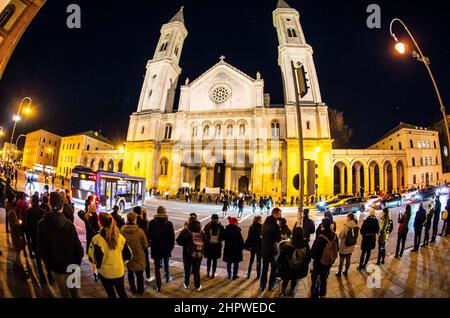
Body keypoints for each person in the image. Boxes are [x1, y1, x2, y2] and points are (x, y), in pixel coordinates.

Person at [38, 192, 84, 298]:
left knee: (64, 294)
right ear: (62, 206)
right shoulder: (69, 225)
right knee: (74, 293)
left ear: (49, 205)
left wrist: (50, 266)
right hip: (72, 266)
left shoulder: (42, 224)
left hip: (57, 267)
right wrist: (77, 263)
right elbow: (78, 249)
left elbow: (42, 249)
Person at [89, 212, 132, 298]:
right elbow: (129, 255)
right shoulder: (120, 237)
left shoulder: (96, 239)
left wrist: (96, 265)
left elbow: (92, 258)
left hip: (105, 273)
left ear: (100, 223)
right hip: (119, 271)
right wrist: (122, 263)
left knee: (111, 294)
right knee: (122, 293)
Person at [26, 194, 53, 285]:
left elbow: (27, 227)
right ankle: (49, 275)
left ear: (32, 201)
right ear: (38, 201)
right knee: (46, 259)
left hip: (34, 238)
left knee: (38, 259)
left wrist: (28, 238)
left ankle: (42, 277)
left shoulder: (28, 212)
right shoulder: (42, 212)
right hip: (43, 239)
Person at [148, 206, 175, 292]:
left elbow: (149, 236)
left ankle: (158, 285)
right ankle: (167, 277)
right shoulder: (169, 223)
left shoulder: (152, 222)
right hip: (166, 247)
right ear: (165, 212)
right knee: (166, 261)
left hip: (156, 247)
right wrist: (170, 247)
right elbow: (172, 238)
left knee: (156, 267)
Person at [278, 227, 311, 297]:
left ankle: (283, 291)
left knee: (286, 279)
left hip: (288, 267)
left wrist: (279, 264)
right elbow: (309, 256)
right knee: (294, 278)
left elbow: (281, 258)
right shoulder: (305, 243)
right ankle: (291, 291)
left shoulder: (288, 244)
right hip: (299, 267)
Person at [310, 218, 339, 298]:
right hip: (329, 262)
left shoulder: (320, 237)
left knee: (315, 277)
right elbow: (337, 249)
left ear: (322, 226)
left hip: (319, 262)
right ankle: (323, 293)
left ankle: (314, 292)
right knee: (324, 278)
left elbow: (313, 254)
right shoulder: (335, 236)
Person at [121, 212, 148, 295]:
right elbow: (145, 245)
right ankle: (140, 290)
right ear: (134, 220)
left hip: (128, 256)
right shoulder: (140, 231)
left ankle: (132, 289)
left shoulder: (122, 230)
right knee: (139, 275)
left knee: (130, 273)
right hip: (139, 255)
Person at [176, 218, 205, 291]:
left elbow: (178, 241)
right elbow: (206, 242)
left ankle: (186, 284)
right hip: (198, 255)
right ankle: (197, 286)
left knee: (187, 270)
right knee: (196, 271)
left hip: (187, 254)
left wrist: (186, 244)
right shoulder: (201, 232)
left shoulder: (185, 231)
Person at [259, 208, 282, 292]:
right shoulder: (275, 225)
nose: (280, 215)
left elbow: (261, 234)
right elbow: (278, 239)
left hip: (264, 249)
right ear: (274, 214)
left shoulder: (265, 223)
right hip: (272, 250)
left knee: (264, 268)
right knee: (274, 268)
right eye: (279, 214)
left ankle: (262, 286)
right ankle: (271, 285)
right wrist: (279, 229)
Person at [6, 193, 26, 269]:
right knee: (18, 247)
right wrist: (20, 221)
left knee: (17, 247)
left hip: (13, 231)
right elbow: (16, 223)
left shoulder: (9, 209)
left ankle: (17, 261)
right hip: (16, 231)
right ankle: (17, 262)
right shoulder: (12, 212)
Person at [203, 214, 224, 279]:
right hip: (217, 246)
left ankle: (208, 272)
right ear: (217, 219)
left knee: (209, 260)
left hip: (209, 246)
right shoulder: (220, 227)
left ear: (211, 218)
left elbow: (204, 236)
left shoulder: (207, 226)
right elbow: (223, 237)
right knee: (215, 260)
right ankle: (213, 273)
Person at [134, 206, 151, 281]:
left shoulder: (134, 221)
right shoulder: (145, 221)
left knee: (136, 259)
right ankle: (148, 275)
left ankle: (136, 272)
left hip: (136, 244)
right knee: (146, 260)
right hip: (144, 243)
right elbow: (148, 232)